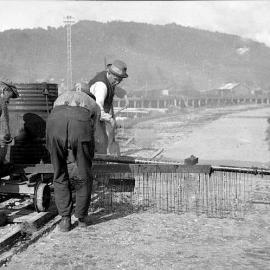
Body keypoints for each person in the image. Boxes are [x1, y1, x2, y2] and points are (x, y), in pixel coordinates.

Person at [46, 89, 100, 232]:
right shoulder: (93, 104)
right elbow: (92, 132)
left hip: (54, 123)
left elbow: (61, 123)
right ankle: (81, 218)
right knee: (83, 173)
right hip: (80, 126)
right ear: (89, 96)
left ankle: (65, 220)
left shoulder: (60, 98)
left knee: (59, 173)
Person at [88, 59, 129, 154]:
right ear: (109, 73)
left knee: (104, 139)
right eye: (116, 80)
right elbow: (98, 110)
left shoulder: (111, 80)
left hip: (98, 116)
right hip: (91, 115)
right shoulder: (101, 86)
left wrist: (125, 96)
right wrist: (110, 120)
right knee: (100, 141)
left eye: (120, 80)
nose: (117, 82)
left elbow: (115, 88)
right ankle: (101, 164)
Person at [0, 81, 19, 166]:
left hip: (3, 138)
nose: (10, 98)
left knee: (2, 159)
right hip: (1, 138)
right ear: (5, 91)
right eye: (10, 95)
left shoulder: (3, 103)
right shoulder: (1, 102)